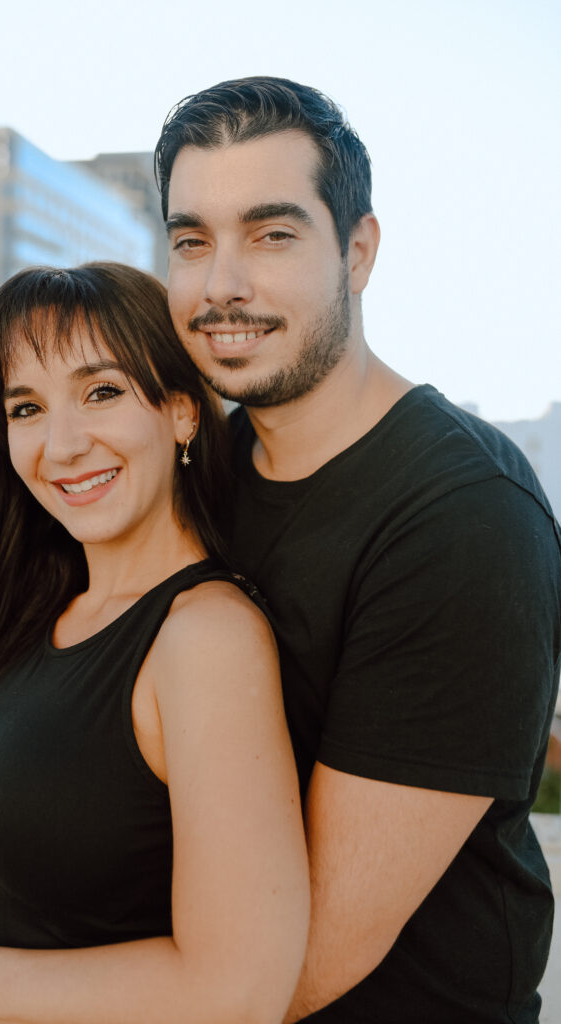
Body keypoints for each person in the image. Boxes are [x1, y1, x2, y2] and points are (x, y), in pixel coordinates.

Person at [156, 77, 561, 1022]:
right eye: (191, 240)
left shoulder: (464, 518)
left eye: (272, 234)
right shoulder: (203, 467)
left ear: (359, 251)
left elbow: (298, 968)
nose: (222, 284)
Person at [0, 262, 309, 1024]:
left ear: (180, 412)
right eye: (27, 407)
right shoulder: (25, 612)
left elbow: (238, 990)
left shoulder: (206, 638)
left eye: (101, 392)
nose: (64, 443)